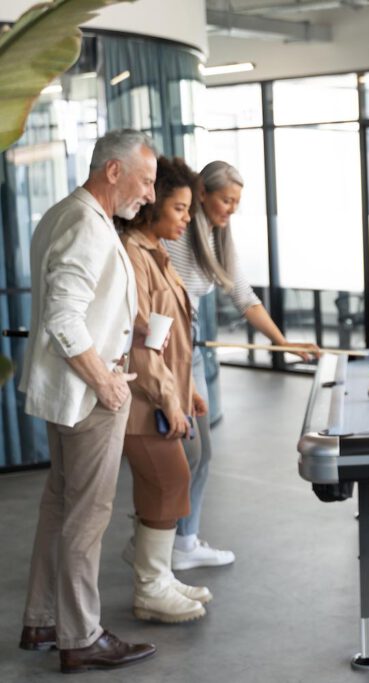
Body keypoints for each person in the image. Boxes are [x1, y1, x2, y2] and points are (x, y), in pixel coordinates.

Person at [18, 129, 158, 673]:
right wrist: (106, 380)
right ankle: (81, 635)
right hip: (88, 395)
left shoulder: (63, 213)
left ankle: (43, 619)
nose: (148, 195)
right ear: (114, 171)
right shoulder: (86, 223)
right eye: (145, 182)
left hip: (63, 392)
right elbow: (62, 317)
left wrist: (130, 333)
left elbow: (79, 305)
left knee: (59, 505)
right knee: (88, 514)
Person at [163, 160, 319, 569]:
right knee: (186, 453)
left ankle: (181, 541)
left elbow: (244, 297)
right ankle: (168, 544)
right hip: (167, 357)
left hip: (190, 354)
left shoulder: (217, 238)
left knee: (196, 454)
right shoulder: (175, 236)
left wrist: (282, 342)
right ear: (202, 194)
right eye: (225, 200)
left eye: (236, 202)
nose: (231, 209)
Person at [119, 156, 212, 623]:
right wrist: (170, 398)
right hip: (141, 401)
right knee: (169, 480)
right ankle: (150, 587)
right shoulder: (133, 257)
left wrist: (188, 387)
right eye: (179, 208)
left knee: (165, 485)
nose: (187, 218)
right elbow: (139, 343)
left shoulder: (155, 253)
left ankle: (158, 578)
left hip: (162, 393)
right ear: (150, 206)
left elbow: (172, 334)